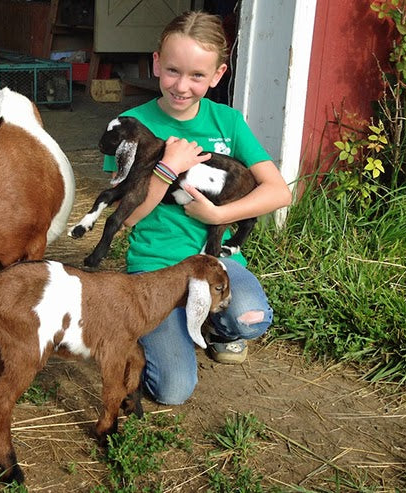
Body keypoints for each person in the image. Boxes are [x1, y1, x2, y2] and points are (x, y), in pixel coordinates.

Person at [102, 11, 292, 405]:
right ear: (156, 63)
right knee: (172, 390)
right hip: (155, 267)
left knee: (250, 317)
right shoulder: (131, 126)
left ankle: (214, 325)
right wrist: (166, 169)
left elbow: (278, 191)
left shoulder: (227, 122)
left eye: (197, 76)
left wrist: (219, 216)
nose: (182, 86)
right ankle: (155, 325)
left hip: (213, 262)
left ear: (218, 74)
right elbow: (127, 218)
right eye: (172, 71)